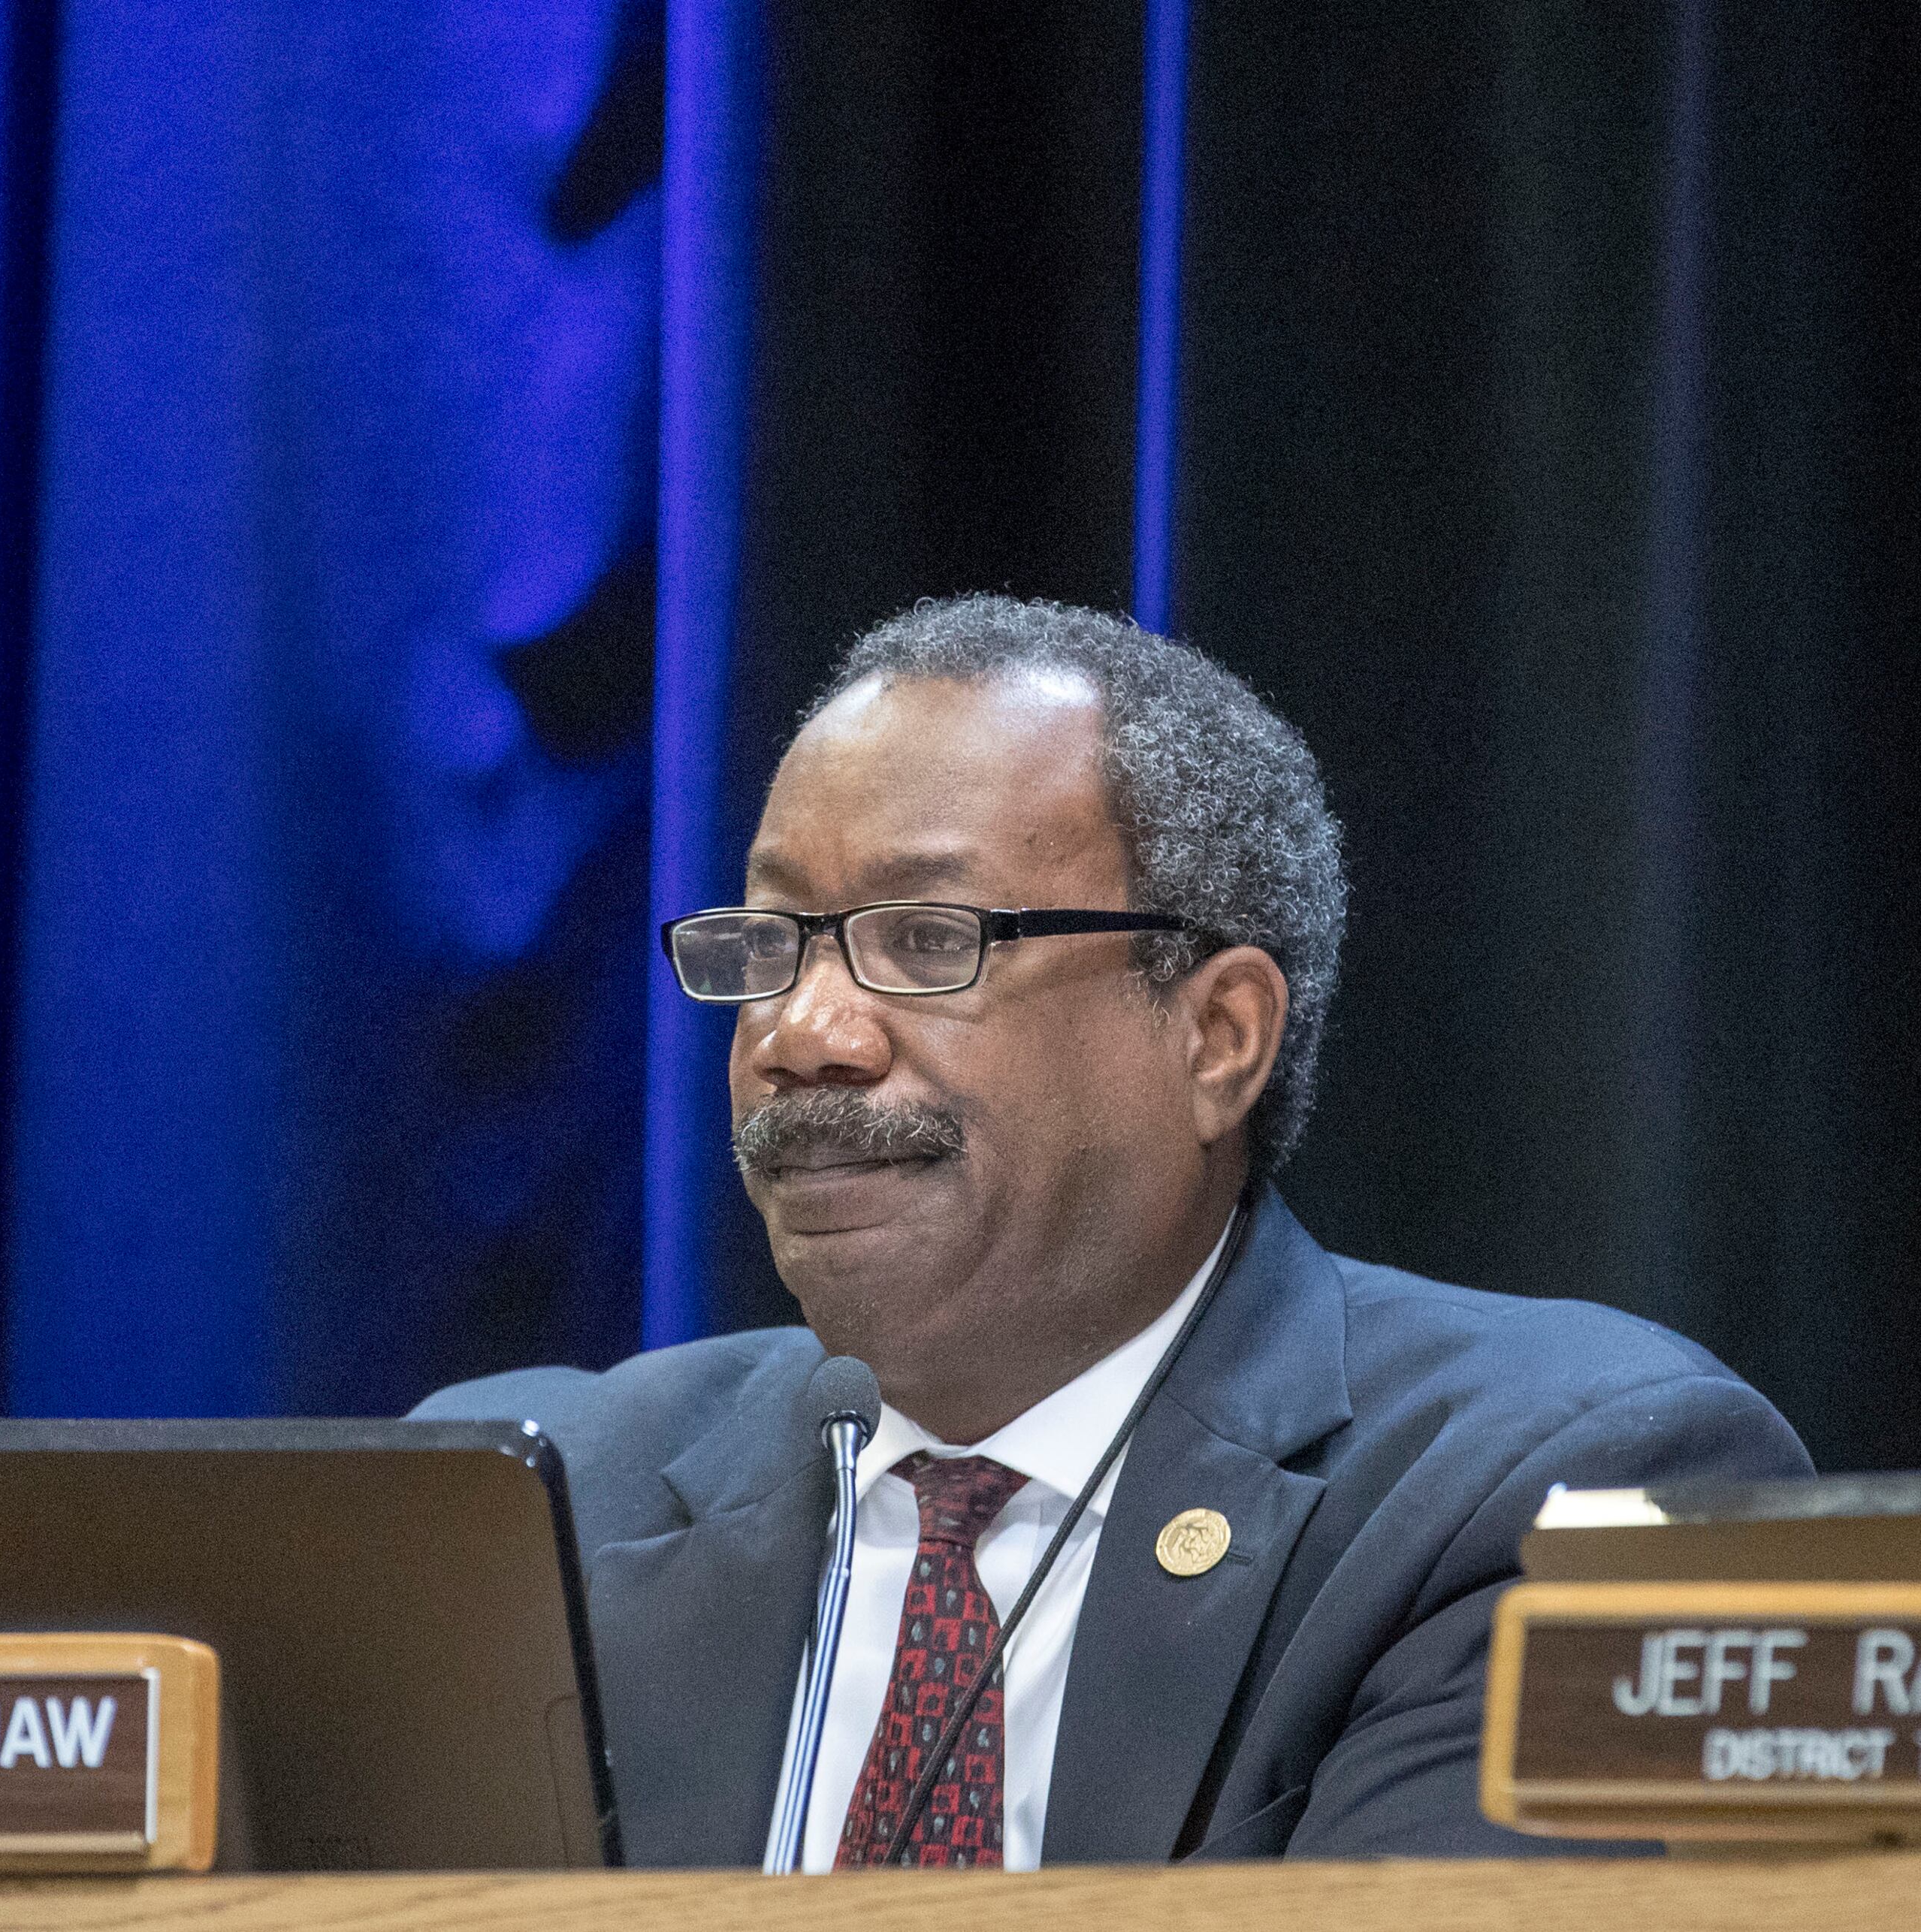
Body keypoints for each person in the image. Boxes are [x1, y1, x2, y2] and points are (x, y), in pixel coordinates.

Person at [415, 593, 1809, 1868]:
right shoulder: (528, 1509)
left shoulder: (1544, 1492)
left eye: (928, 942)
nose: (804, 1032)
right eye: (770, 944)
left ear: (1218, 1037)